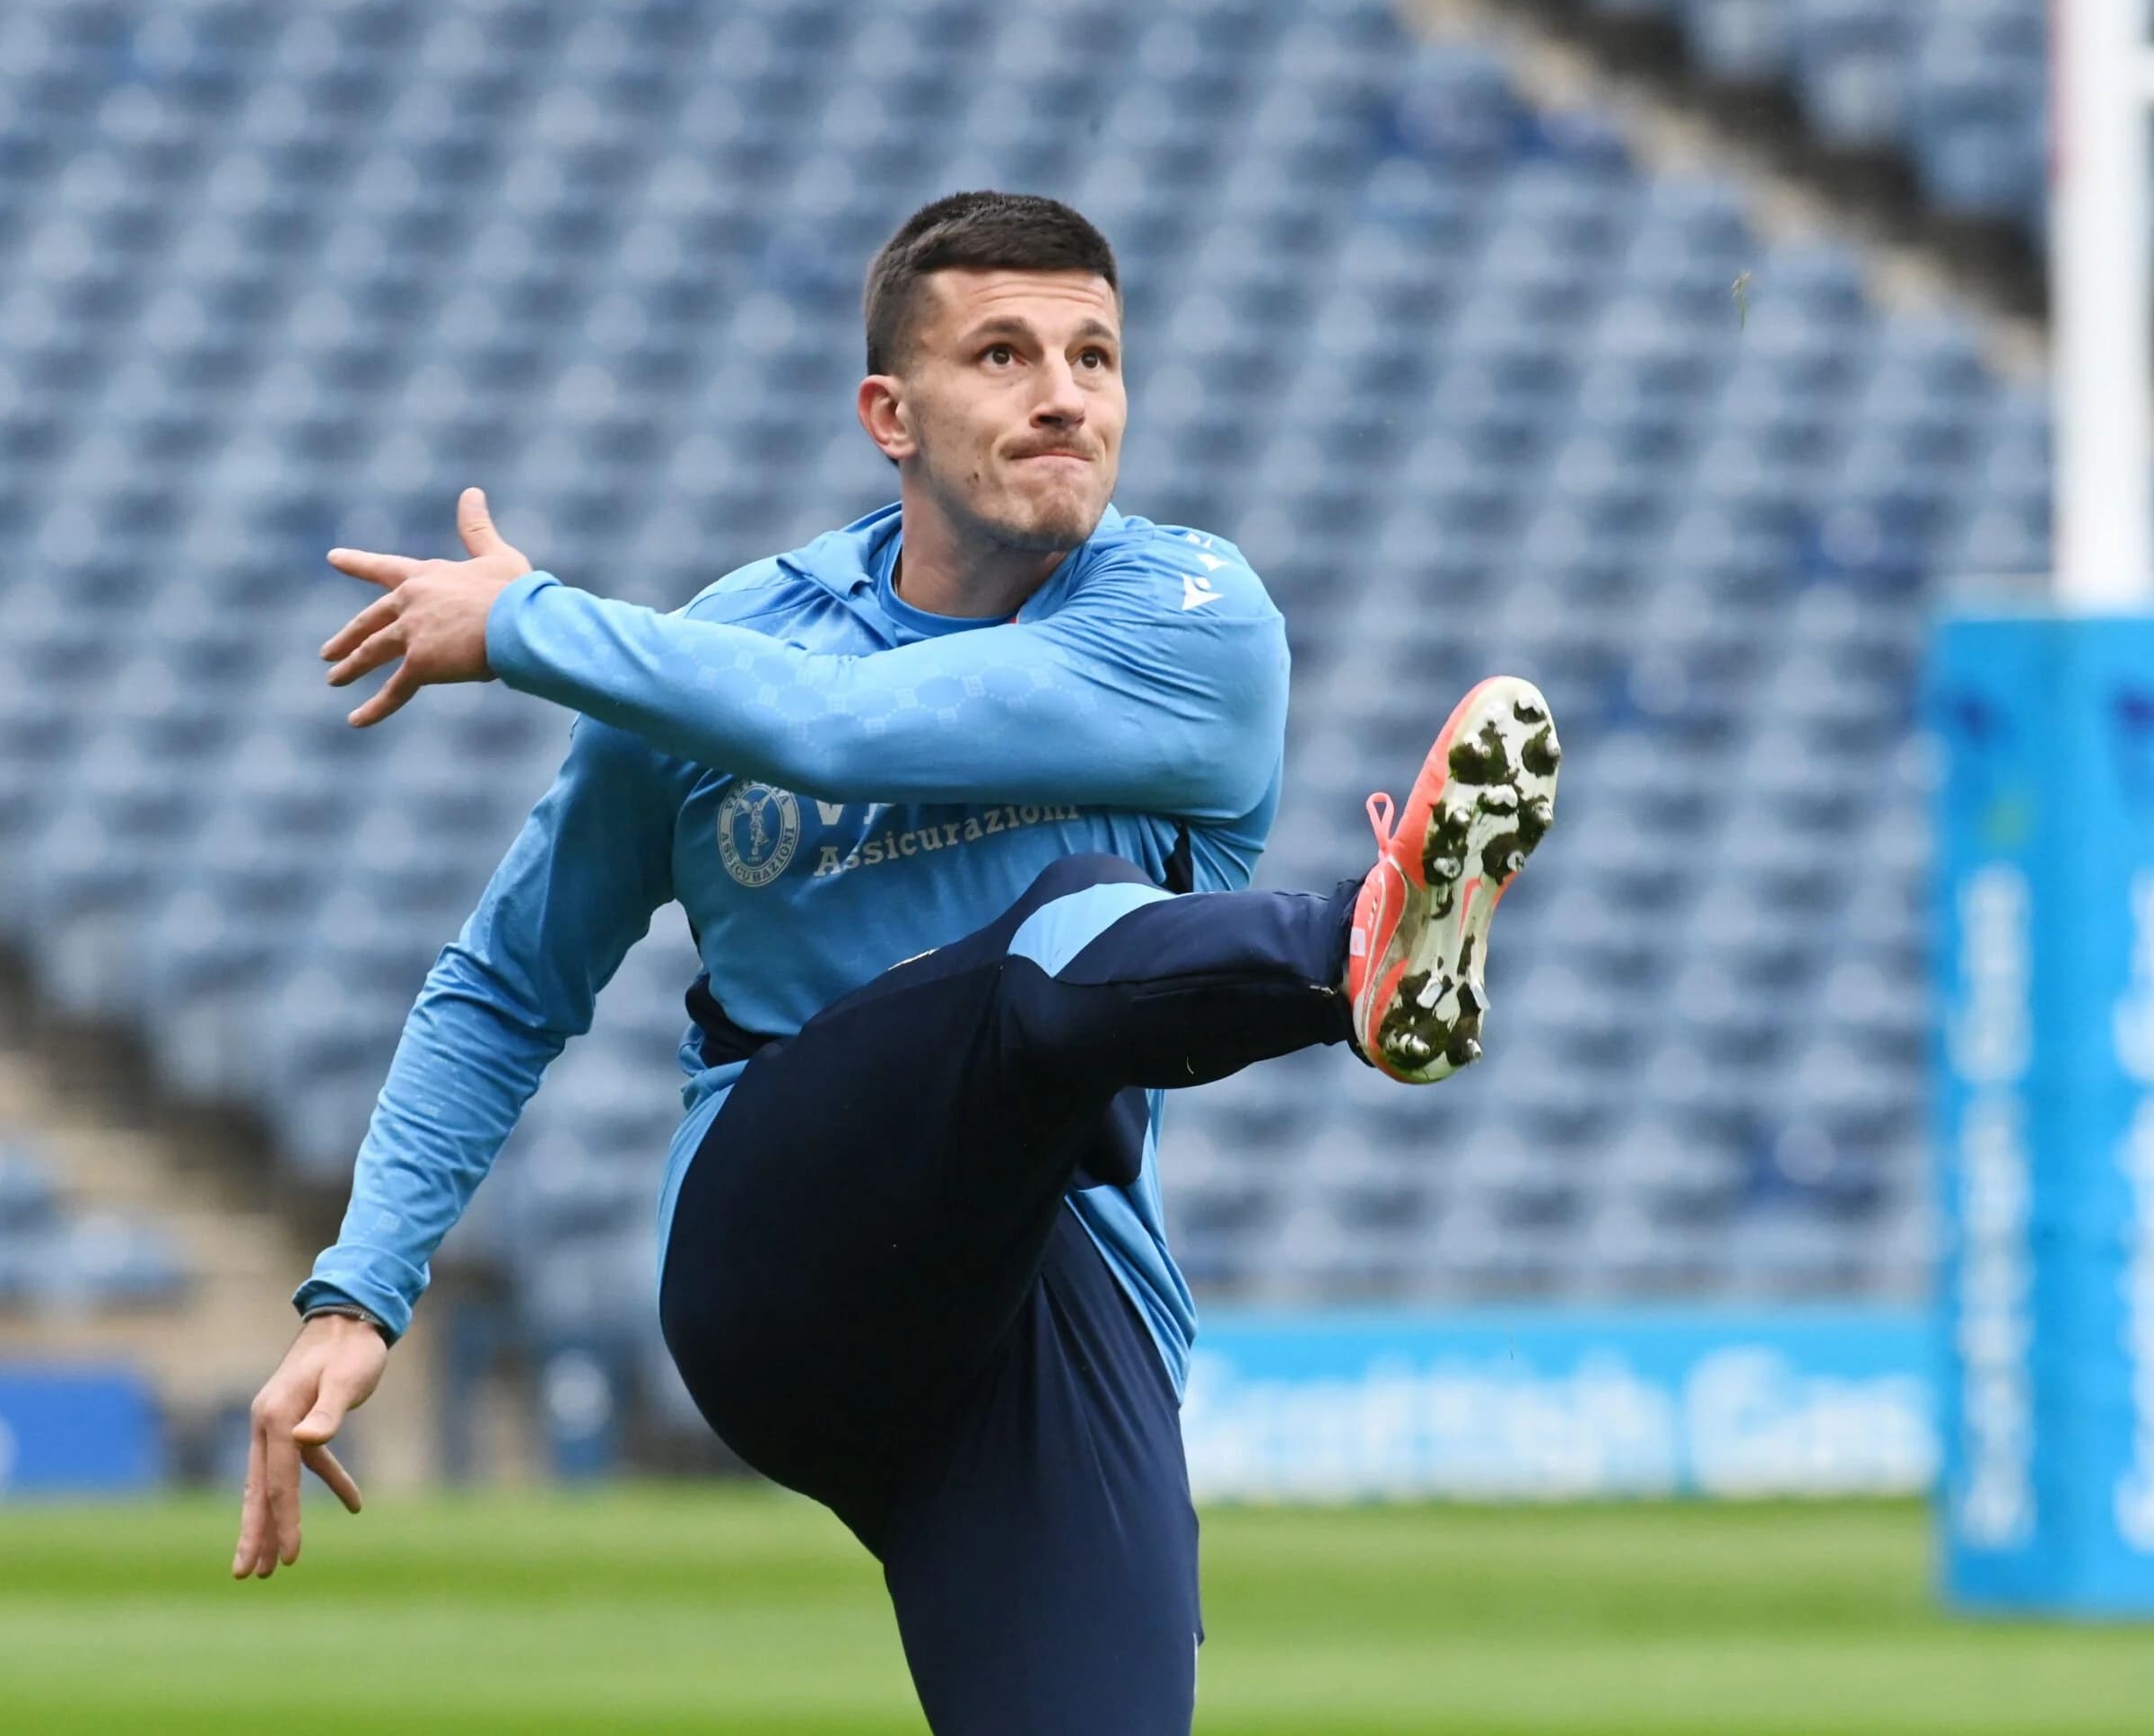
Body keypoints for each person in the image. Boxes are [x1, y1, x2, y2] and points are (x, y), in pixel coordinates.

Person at [231, 192, 1558, 1734]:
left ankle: (1364, 953)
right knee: (1050, 940)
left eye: (1095, 355)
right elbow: (509, 983)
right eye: (1003, 353)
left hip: (1052, 1283)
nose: (1064, 393)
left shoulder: (1192, 626)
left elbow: (848, 728)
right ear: (890, 413)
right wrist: (358, 1292)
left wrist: (538, 623)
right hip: (779, 1254)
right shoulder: (731, 650)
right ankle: (1356, 948)